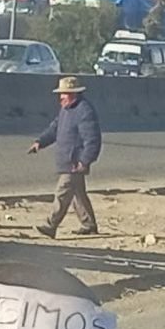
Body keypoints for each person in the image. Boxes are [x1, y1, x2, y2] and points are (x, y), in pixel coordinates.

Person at [29, 76, 102, 239]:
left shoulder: (84, 111)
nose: (60, 97)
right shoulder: (66, 109)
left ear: (73, 94)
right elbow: (54, 129)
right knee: (78, 194)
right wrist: (40, 142)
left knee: (62, 193)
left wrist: (85, 160)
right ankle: (89, 224)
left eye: (63, 93)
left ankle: (51, 225)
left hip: (75, 162)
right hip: (67, 161)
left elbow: (93, 139)